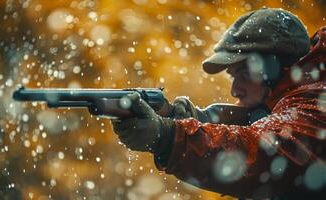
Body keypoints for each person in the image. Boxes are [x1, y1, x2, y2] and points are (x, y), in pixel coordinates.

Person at [111, 8, 326, 199]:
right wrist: (190, 120)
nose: (234, 90)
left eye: (243, 74)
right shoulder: (299, 94)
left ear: (272, 68)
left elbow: (264, 153)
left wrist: (170, 136)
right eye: (233, 76)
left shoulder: (316, 101)